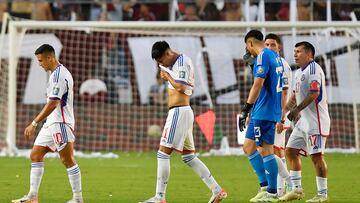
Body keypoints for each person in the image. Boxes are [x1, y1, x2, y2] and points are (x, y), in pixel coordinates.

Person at [140, 41, 227, 203]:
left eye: (160, 61)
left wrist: (167, 76)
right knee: (189, 157)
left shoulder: (181, 62)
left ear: (167, 53)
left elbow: (180, 87)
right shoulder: (175, 64)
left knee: (162, 153)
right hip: (182, 111)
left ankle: (160, 197)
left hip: (179, 112)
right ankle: (217, 190)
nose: (160, 64)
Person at [12, 44, 84, 203]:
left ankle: (78, 199)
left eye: (41, 61)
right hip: (51, 123)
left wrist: (34, 122)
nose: (40, 64)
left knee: (67, 160)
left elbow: (53, 103)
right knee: (35, 155)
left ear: (50, 58)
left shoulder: (59, 76)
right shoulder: (55, 74)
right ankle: (32, 196)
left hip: (60, 122)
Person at [279, 41, 330, 202]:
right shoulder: (299, 72)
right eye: (294, 51)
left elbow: (314, 93)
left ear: (309, 54)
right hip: (303, 123)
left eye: (299, 51)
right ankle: (297, 190)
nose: (295, 54)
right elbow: (294, 96)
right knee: (290, 151)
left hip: (316, 122)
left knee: (317, 157)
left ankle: (322, 194)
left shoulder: (314, 69)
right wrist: (283, 112)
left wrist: (296, 110)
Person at [239, 30, 282, 202]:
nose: (247, 51)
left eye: (247, 47)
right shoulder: (272, 55)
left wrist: (246, 108)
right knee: (248, 147)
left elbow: (258, 84)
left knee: (265, 150)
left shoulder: (264, 55)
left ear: (250, 43)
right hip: (261, 110)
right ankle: (264, 187)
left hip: (265, 111)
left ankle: (272, 193)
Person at [264, 33, 293, 197]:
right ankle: (277, 189)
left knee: (276, 151)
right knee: (270, 151)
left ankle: (284, 188)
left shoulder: (282, 65)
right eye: (266, 45)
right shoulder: (268, 63)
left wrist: (281, 117)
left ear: (279, 47)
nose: (269, 48)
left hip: (278, 115)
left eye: (272, 45)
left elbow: (285, 93)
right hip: (268, 114)